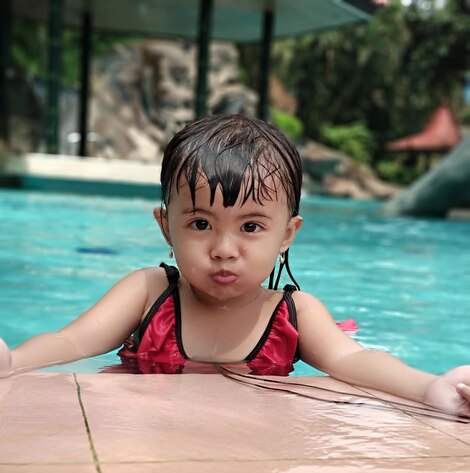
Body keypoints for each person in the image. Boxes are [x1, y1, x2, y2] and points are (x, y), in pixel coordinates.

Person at [0, 114, 469, 417]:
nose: (224, 248)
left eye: (250, 228)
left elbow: (354, 360)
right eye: (201, 223)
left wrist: (430, 388)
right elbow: (73, 340)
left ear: (287, 234)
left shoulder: (294, 315)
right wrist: (14, 361)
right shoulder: (147, 293)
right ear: (166, 227)